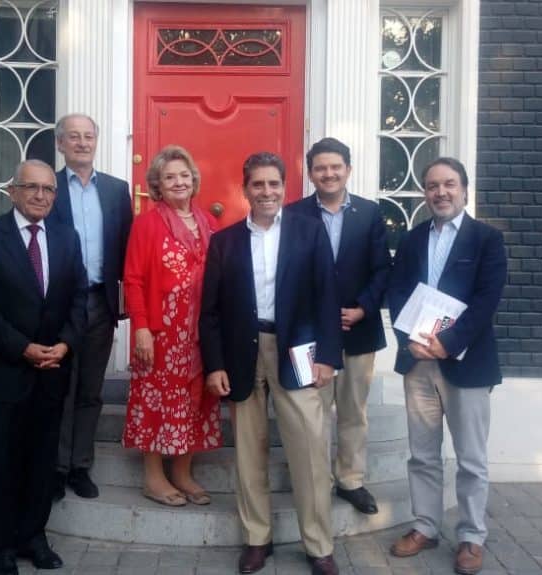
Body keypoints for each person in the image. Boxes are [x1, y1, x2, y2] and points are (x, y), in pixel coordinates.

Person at [200, 152, 343, 575]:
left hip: (297, 349)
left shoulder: (308, 231)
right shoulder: (224, 241)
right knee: (249, 451)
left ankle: (318, 545)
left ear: (285, 187)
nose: (267, 192)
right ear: (245, 189)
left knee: (310, 450)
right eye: (258, 184)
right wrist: (215, 364)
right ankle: (256, 539)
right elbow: (210, 311)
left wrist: (328, 358)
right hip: (242, 352)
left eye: (274, 184)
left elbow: (327, 296)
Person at [0, 160, 88, 575]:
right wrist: (23, 348)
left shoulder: (67, 237)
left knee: (41, 463)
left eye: (48, 189)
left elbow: (79, 299)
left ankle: (33, 537)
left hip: (52, 372)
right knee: (2, 464)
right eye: (31, 187)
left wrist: (65, 344)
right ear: (12, 191)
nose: (40, 196)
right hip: (3, 373)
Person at [386, 157, 507, 575]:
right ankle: (425, 526)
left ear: (465, 190)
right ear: (425, 193)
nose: (441, 192)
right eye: (433, 185)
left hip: (466, 363)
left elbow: (487, 300)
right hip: (418, 362)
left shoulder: (487, 239)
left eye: (449, 184)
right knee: (422, 454)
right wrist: (410, 339)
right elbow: (397, 291)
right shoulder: (412, 239)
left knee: (471, 458)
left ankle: (472, 536)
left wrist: (447, 343)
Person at [285, 137, 391, 515]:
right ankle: (317, 480)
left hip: (357, 330)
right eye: (320, 168)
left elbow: (382, 269)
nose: (328, 174)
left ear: (348, 170)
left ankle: (350, 479)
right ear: (310, 173)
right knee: (311, 413)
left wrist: (363, 308)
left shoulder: (370, 213)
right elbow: (288, 274)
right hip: (310, 335)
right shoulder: (293, 215)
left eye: (335, 167)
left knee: (351, 410)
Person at [121, 145, 222, 506]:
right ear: (157, 185)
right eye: (169, 177)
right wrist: (141, 329)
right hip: (161, 332)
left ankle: (182, 473)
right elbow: (133, 279)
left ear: (193, 180)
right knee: (156, 401)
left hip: (200, 331)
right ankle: (153, 477)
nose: (178, 182)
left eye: (184, 175)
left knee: (196, 399)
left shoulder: (209, 223)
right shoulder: (147, 223)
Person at [49, 113, 133, 500]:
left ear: (96, 142)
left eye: (88, 136)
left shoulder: (117, 190)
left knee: (90, 388)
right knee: (60, 388)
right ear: (60, 143)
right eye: (73, 136)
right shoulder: (49, 187)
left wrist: (125, 303)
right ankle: (55, 467)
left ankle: (80, 466)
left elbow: (128, 249)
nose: (82, 143)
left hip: (100, 300)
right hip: (60, 303)